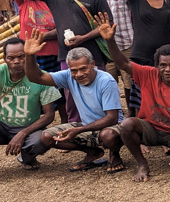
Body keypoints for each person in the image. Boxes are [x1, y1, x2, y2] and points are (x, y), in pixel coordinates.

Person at [96, 13, 170, 182]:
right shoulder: (149, 75)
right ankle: (142, 164)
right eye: (163, 65)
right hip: (149, 128)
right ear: (157, 66)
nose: (168, 69)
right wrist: (110, 40)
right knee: (127, 124)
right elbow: (123, 63)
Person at [16, 0, 113, 122]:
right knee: (71, 98)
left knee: (98, 94)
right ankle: (76, 131)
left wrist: (84, 38)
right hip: (66, 57)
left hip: (94, 57)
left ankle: (104, 130)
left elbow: (107, 26)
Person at [25, 31, 124, 174]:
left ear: (92, 65)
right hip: (86, 126)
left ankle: (114, 154)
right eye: (74, 70)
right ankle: (92, 152)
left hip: (112, 127)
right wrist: (29, 55)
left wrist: (79, 130)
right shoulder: (67, 76)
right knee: (47, 137)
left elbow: (112, 118)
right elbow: (36, 78)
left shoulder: (106, 80)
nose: (78, 74)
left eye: (83, 68)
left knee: (108, 136)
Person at [0, 31, 62, 188]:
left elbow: (49, 115)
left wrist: (23, 133)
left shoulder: (40, 76)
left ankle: (27, 157)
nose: (16, 61)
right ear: (5, 59)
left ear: (28, 55)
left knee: (41, 139)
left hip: (27, 128)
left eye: (21, 57)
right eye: (11, 58)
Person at [4, 0, 66, 123]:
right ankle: (34, 126)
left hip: (56, 54)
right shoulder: (23, 1)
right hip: (33, 56)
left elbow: (64, 28)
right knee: (35, 91)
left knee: (61, 92)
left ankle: (65, 124)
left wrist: (45, 36)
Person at [91, 0, 136, 115]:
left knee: (130, 85)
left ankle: (132, 116)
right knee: (107, 86)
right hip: (104, 50)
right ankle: (113, 117)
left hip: (126, 45)